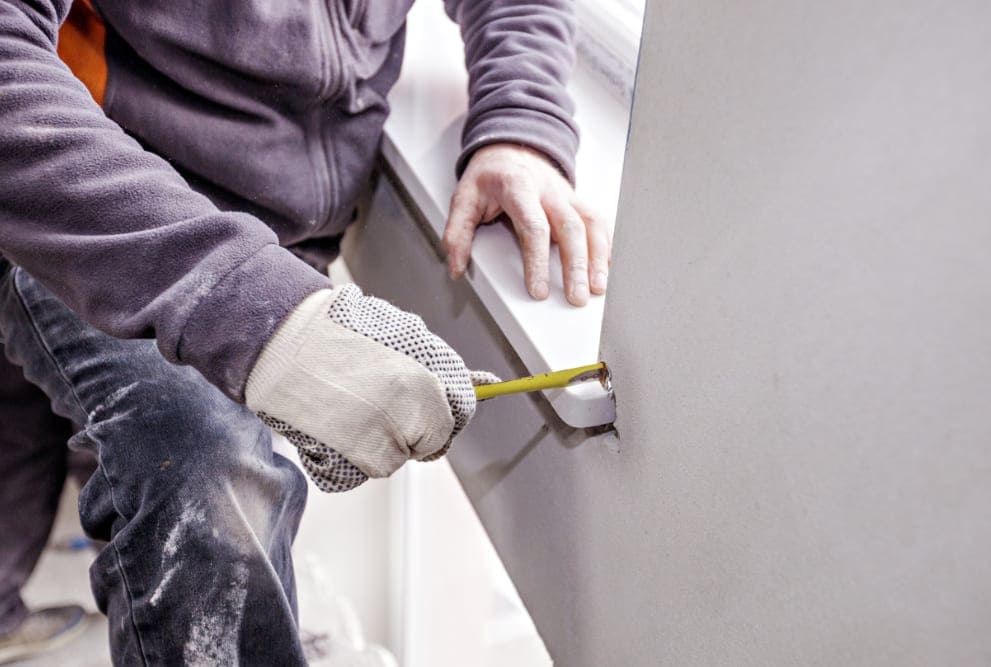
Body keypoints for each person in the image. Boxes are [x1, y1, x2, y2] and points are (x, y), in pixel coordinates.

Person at [0, 0, 610, 663]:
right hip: (106, 204)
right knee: (203, 472)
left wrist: (520, 122)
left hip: (281, 239)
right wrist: (257, 313)